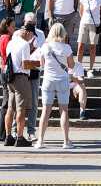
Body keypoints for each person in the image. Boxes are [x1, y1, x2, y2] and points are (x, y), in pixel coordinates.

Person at [33, 20, 78, 149]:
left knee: (45, 111)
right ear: (63, 33)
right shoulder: (67, 48)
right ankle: (65, 141)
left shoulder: (45, 47)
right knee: (64, 110)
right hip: (62, 80)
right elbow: (71, 65)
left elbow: (41, 64)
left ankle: (40, 140)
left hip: (48, 80)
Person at [1, 15, 41, 145]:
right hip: (21, 78)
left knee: (10, 108)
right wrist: (38, 63)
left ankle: (8, 136)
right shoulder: (24, 44)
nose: (32, 38)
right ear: (28, 33)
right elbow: (25, 65)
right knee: (21, 109)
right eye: (32, 35)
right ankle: (19, 137)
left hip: (10, 78)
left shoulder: (11, 42)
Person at [78, 0, 101, 72]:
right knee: (80, 45)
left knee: (92, 46)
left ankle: (91, 67)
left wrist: (100, 24)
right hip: (84, 23)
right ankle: (78, 67)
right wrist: (84, 19)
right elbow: (80, 11)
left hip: (95, 24)